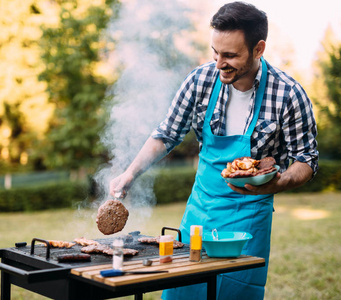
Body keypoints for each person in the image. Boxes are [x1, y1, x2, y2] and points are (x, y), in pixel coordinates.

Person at [109, 1, 318, 299]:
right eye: (215, 52)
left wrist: (280, 181)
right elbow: (166, 134)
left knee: (234, 292)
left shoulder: (288, 94)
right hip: (199, 215)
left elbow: (307, 159)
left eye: (231, 55)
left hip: (250, 218)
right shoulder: (199, 81)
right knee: (183, 291)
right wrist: (129, 174)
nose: (219, 63)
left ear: (258, 49)